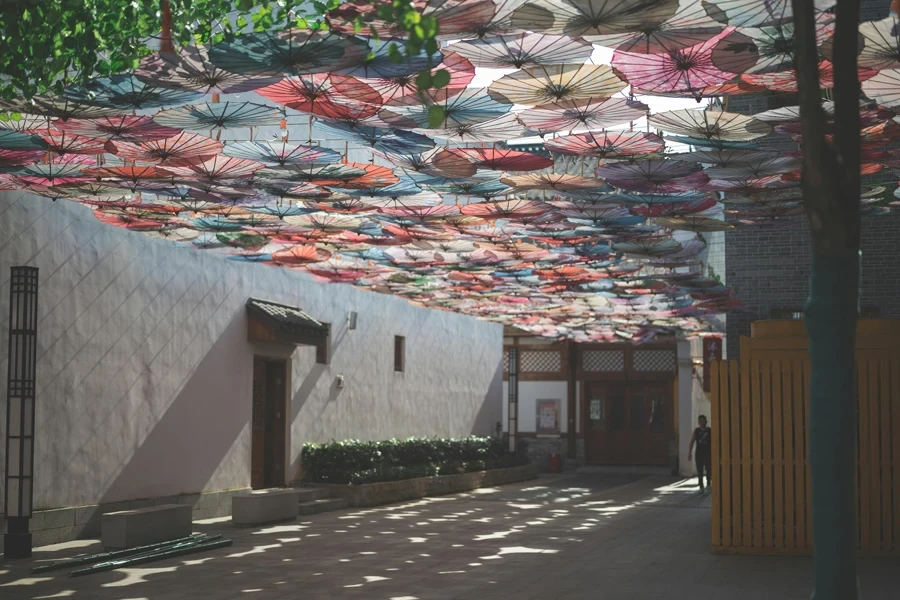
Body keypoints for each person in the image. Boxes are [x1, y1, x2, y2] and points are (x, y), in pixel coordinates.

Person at [688, 415, 712, 492]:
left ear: (706, 421)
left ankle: (708, 484)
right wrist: (689, 453)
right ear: (698, 422)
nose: (702, 422)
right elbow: (692, 442)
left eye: (703, 421)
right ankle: (701, 486)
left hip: (708, 453)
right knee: (700, 471)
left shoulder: (709, 431)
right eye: (700, 421)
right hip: (699, 454)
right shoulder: (696, 431)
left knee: (709, 470)